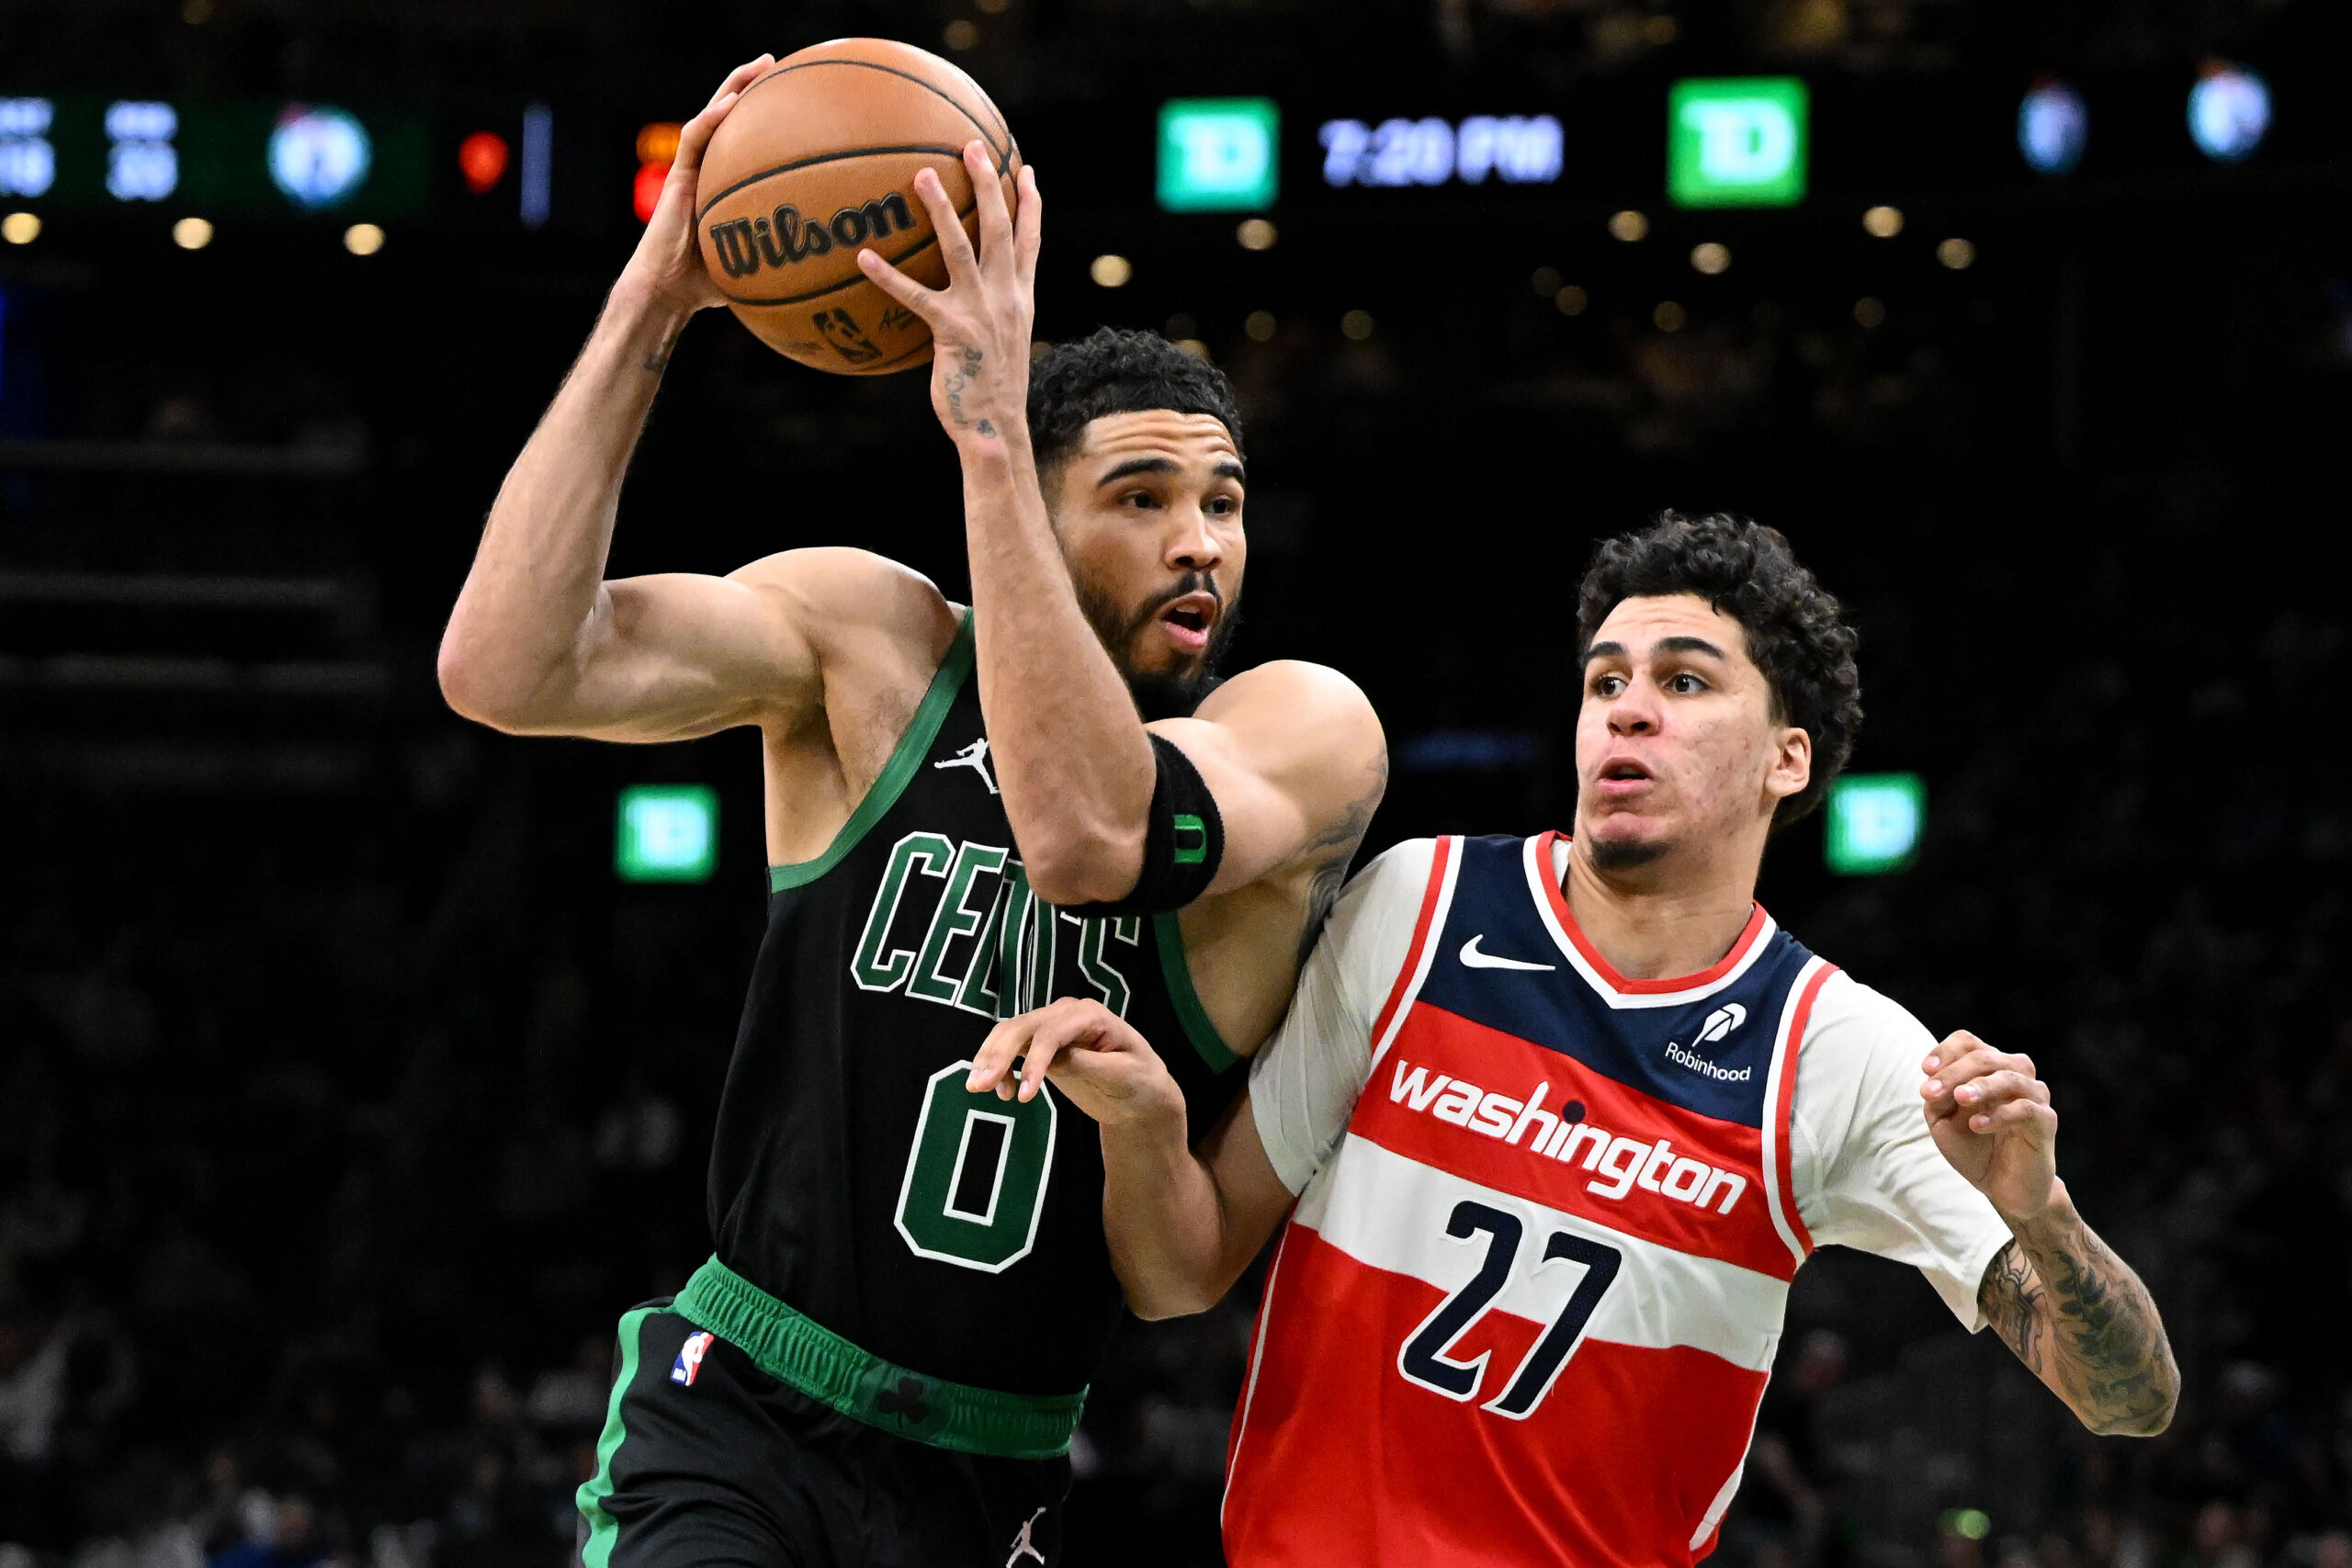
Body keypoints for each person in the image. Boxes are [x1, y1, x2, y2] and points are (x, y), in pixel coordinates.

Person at [434, 62, 1385, 1568]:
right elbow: (506, 667)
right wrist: (653, 306)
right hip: (739, 1404)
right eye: (1139, 498)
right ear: (1042, 505)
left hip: (989, 1468)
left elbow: (1086, 835)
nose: (1199, 543)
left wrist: (996, 435)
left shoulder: (1302, 730)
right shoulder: (870, 643)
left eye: (1225, 501)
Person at [968, 513, 2178, 1566]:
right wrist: (1146, 1121)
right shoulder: (1419, 907)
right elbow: (1182, 1273)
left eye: (1686, 682)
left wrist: (2042, 1212)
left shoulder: (1840, 1054)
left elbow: (2128, 1401)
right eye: (1605, 682)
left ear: (1786, 759)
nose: (1627, 711)